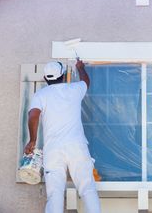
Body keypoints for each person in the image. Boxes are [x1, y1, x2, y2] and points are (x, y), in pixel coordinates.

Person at [24, 59, 101, 213]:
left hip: (53, 150)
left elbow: (33, 116)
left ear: (46, 78)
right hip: (76, 146)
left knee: (55, 193)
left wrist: (32, 140)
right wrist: (80, 68)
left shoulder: (41, 94)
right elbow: (86, 81)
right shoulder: (74, 89)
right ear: (63, 75)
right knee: (87, 188)